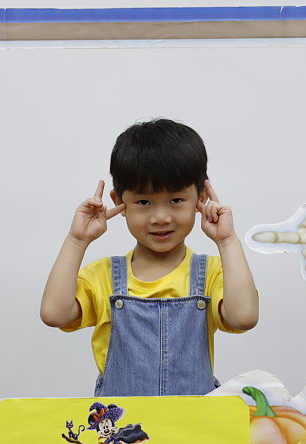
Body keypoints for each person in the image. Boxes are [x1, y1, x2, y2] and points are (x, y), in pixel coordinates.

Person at [40, 119, 258, 396]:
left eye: (176, 200)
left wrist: (227, 241)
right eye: (144, 202)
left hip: (192, 420)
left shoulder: (212, 273)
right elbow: (54, 314)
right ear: (120, 202)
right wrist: (77, 241)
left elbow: (244, 317)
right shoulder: (103, 276)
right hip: (123, 422)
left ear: (201, 198)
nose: (161, 217)